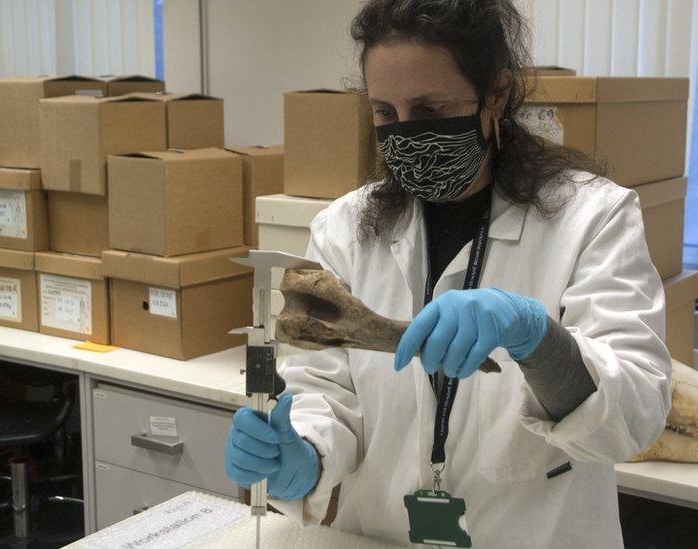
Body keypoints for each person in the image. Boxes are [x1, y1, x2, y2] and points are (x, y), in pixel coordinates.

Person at [225, 1, 672, 546]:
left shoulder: (591, 218)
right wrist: (303, 452)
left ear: (497, 95)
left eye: (432, 110)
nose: (406, 136)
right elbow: (323, 390)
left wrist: (539, 340)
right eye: (386, 114)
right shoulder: (344, 230)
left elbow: (636, 415)